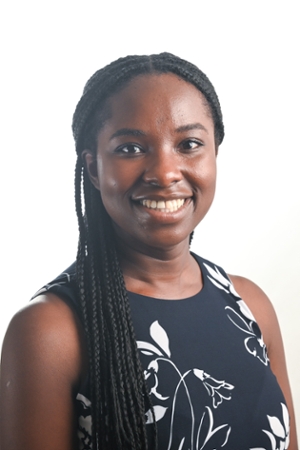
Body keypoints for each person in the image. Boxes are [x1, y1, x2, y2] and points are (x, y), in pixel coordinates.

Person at [0, 53, 298, 450]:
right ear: (92, 167)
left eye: (189, 144)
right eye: (129, 149)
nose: (165, 172)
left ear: (214, 155)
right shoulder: (51, 331)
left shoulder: (250, 305)